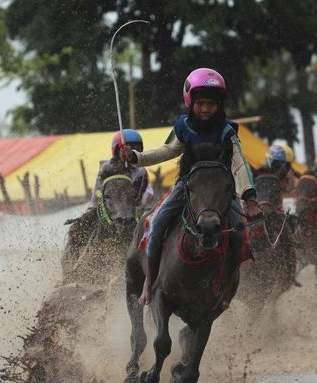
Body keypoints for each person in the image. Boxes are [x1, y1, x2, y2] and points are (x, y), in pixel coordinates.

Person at [120, 67, 262, 305]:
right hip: (187, 186)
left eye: (211, 104)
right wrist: (136, 158)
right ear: (191, 102)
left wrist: (249, 198)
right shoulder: (184, 126)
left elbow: (239, 164)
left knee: (240, 231)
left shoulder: (227, 131)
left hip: (219, 193)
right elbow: (168, 151)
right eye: (201, 103)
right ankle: (150, 280)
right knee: (156, 224)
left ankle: (227, 285)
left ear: (219, 105)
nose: (206, 109)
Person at [90, 129, 153, 209]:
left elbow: (138, 199)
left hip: (135, 209)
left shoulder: (140, 171)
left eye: (135, 150)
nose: (129, 154)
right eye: (126, 150)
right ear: (117, 151)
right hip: (109, 207)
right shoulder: (105, 167)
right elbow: (97, 194)